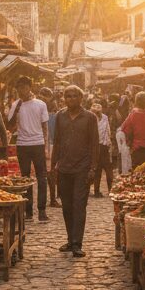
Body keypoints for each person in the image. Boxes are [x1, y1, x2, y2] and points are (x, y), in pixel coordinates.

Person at [51, 86, 99, 256]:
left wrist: (93, 168)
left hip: (82, 168)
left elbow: (94, 143)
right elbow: (56, 141)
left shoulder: (90, 117)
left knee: (79, 206)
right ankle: (70, 240)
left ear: (81, 98)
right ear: (64, 99)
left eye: (74, 96)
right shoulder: (60, 117)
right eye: (68, 96)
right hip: (64, 167)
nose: (71, 99)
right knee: (67, 207)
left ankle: (77, 243)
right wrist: (53, 165)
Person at [8, 76, 51, 221]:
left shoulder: (40, 104)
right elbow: (11, 126)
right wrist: (17, 109)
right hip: (22, 145)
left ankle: (42, 210)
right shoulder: (15, 105)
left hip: (38, 144)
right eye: (19, 88)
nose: (22, 91)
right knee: (25, 179)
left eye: (24, 87)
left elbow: (45, 127)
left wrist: (46, 147)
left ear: (29, 88)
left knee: (42, 177)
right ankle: (28, 211)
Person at [40, 87, 60, 207]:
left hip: (50, 144)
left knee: (51, 172)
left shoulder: (53, 114)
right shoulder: (50, 112)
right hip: (46, 144)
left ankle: (53, 197)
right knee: (50, 172)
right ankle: (52, 198)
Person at [91, 101, 114, 196]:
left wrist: (109, 144)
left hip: (102, 147)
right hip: (97, 147)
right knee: (100, 170)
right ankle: (98, 191)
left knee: (106, 170)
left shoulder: (104, 118)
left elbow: (108, 132)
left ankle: (109, 190)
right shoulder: (92, 118)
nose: (97, 114)